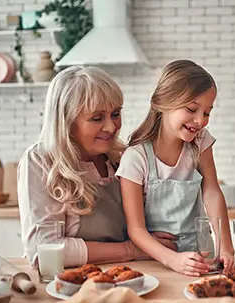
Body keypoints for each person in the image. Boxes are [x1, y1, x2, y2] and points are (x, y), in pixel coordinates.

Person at [18, 66, 177, 268]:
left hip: (131, 275)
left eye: (116, 113)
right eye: (97, 118)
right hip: (69, 283)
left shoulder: (123, 158)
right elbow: (43, 250)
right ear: (66, 121)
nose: (111, 127)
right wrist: (129, 250)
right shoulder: (40, 161)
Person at [116, 60, 235, 277]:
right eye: (191, 109)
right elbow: (136, 230)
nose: (200, 120)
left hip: (202, 254)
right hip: (158, 262)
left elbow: (212, 192)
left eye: (207, 112)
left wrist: (225, 247)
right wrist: (173, 260)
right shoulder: (136, 158)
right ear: (164, 103)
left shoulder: (200, 143)